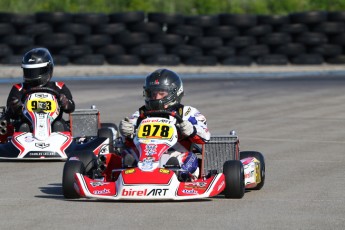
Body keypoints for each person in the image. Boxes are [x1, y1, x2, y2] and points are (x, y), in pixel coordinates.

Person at [119, 68, 210, 181]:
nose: (156, 98)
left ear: (174, 93)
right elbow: (127, 141)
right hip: (145, 157)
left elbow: (205, 136)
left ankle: (178, 175)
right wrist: (125, 132)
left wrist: (191, 130)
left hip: (175, 154)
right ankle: (130, 172)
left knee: (187, 158)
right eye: (153, 94)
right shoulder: (140, 114)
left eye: (161, 93)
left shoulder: (187, 112)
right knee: (127, 154)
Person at [5, 47, 75, 132]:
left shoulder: (58, 87)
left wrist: (65, 102)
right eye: (29, 71)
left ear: (47, 69)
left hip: (54, 126)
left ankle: (61, 138)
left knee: (59, 125)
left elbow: (71, 108)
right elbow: (9, 113)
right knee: (22, 126)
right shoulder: (19, 88)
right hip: (28, 127)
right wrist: (16, 108)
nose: (32, 75)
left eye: (36, 71)